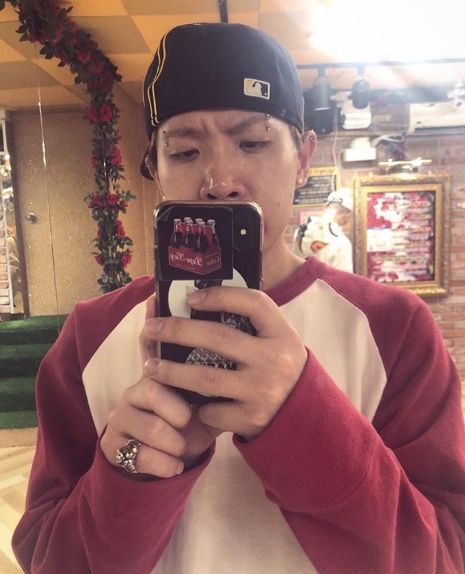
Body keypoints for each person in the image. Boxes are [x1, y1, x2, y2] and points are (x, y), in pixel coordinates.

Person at [12, 23, 465, 574]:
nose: (220, 180)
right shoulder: (91, 334)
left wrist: (305, 421)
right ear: (155, 170)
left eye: (253, 143)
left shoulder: (394, 328)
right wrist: (128, 474)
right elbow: (48, 560)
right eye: (184, 151)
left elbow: (444, 558)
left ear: (303, 158)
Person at [293, 188, 354, 272]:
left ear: (325, 207)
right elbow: (344, 278)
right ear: (347, 214)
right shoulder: (341, 242)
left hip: (299, 280)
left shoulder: (300, 232)